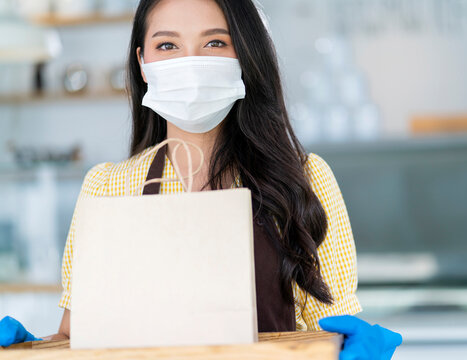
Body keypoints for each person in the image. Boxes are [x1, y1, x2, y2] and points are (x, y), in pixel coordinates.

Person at [1, 0, 401, 357]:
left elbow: (329, 335)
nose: (189, 62)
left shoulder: (304, 179)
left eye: (214, 43)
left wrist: (353, 353)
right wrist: (28, 350)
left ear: (244, 55)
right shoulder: (105, 188)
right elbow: (79, 338)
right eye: (167, 45)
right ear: (143, 63)